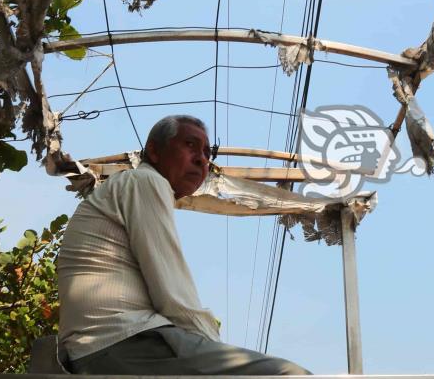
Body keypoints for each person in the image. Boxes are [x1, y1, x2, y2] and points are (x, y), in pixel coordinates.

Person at [58, 115, 310, 375]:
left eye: (206, 152)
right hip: (122, 340)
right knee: (288, 375)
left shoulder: (129, 187)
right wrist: (213, 351)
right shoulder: (144, 181)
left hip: (101, 346)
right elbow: (173, 295)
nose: (202, 159)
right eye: (190, 145)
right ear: (154, 151)